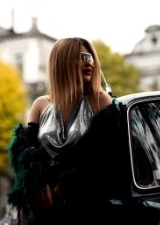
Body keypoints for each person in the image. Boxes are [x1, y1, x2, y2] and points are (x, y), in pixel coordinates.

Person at [8, 37, 114, 224]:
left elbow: (106, 156)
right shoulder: (41, 104)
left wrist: (67, 184)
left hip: (82, 208)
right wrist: (36, 184)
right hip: (39, 210)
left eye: (90, 58)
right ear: (63, 61)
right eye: (81, 57)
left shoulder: (101, 101)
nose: (88, 63)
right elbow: (25, 154)